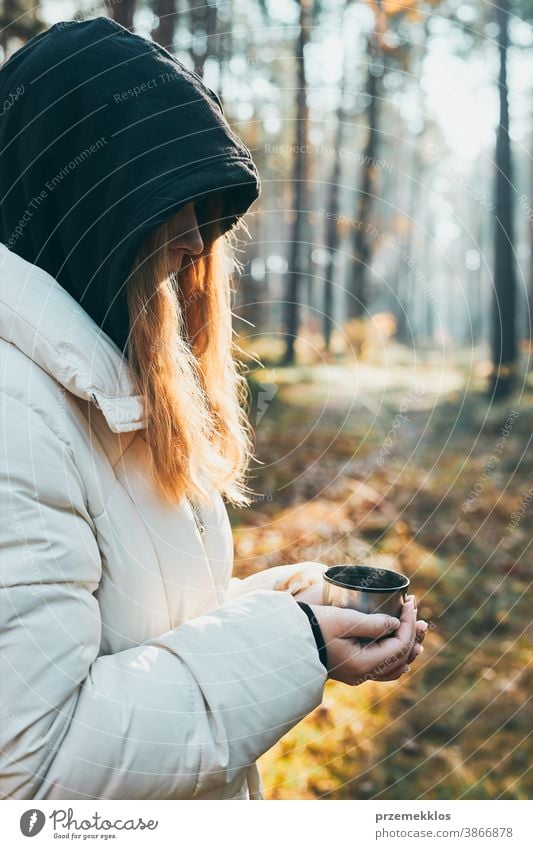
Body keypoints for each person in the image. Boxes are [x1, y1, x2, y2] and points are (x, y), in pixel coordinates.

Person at [0, 17, 426, 801]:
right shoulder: (13, 418)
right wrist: (293, 645)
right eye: (170, 204)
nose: (197, 244)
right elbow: (34, 769)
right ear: (81, 198)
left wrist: (303, 605)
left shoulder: (97, 379)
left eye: (206, 210)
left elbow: (143, 634)